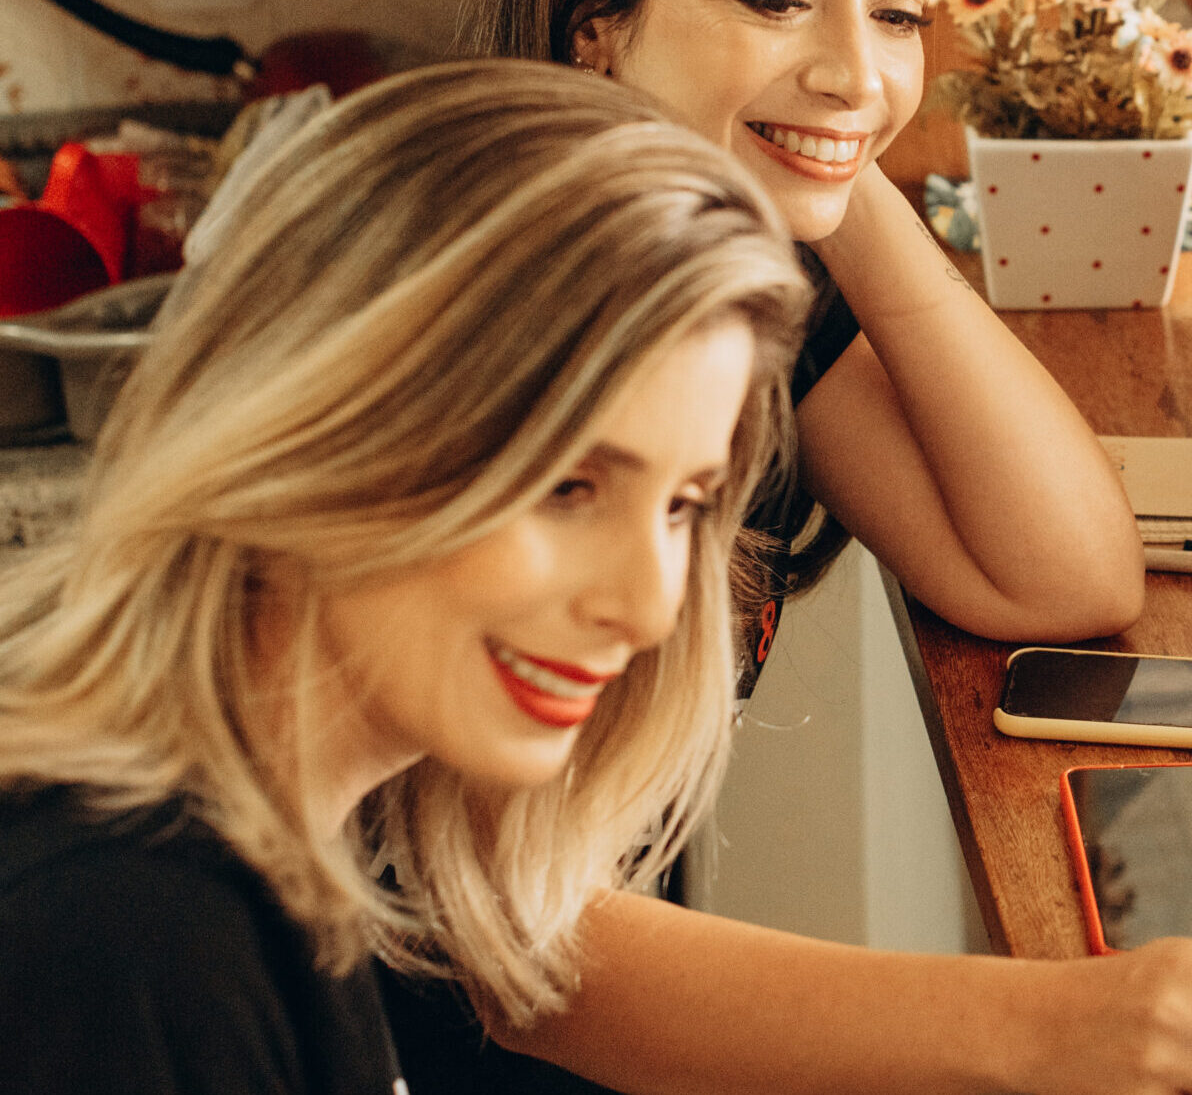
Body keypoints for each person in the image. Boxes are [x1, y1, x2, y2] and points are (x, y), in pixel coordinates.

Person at [0, 62, 809, 1088]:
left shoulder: (275, 848)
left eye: (683, 503)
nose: (648, 605)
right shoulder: (127, 947)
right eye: (566, 484)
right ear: (324, 428)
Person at [462, 0, 1143, 678]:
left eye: (897, 13)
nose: (861, 72)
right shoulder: (473, 329)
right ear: (593, 18)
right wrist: (811, 130)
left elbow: (1071, 581)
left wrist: (830, 148)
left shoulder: (741, 281)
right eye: (778, 1)